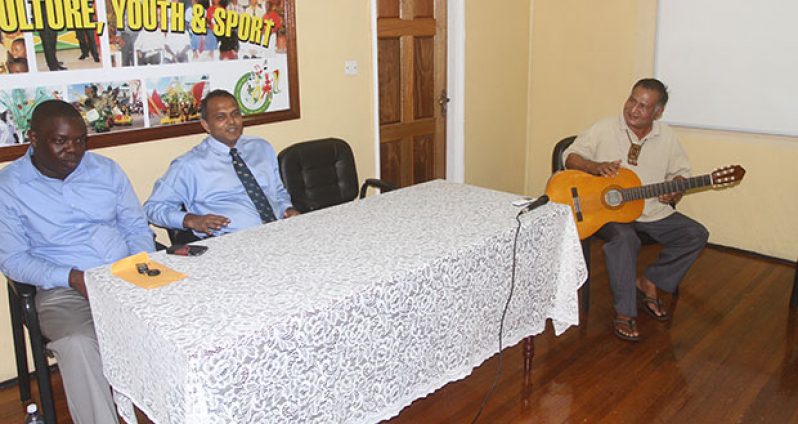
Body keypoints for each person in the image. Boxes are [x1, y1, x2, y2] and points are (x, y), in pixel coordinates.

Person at [0, 100, 154, 423]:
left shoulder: (106, 170)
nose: (73, 149)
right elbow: (13, 259)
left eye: (80, 140)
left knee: (186, 318)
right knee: (78, 343)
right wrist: (70, 277)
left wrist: (138, 264)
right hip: (64, 288)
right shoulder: (10, 187)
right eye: (61, 141)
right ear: (33, 139)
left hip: (125, 275)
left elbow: (135, 227)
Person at [562, 78, 709, 342]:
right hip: (608, 212)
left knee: (695, 234)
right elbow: (570, 156)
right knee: (625, 238)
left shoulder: (667, 137)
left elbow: (681, 174)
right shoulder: (606, 127)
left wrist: (675, 189)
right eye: (632, 100)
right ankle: (624, 311)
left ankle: (651, 281)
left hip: (652, 211)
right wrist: (593, 167)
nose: (633, 109)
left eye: (643, 106)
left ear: (658, 112)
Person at [145, 89, 298, 238]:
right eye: (221, 117)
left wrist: (287, 208)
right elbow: (152, 208)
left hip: (280, 232)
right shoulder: (189, 165)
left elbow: (277, 191)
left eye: (235, 114)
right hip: (233, 240)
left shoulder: (261, 148)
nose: (232, 121)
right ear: (206, 125)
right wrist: (191, 220)